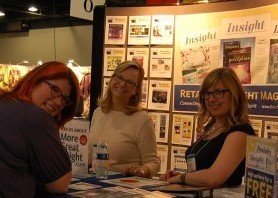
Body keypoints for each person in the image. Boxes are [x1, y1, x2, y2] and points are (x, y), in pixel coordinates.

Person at [160, 67, 255, 187]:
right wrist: (179, 176)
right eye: (207, 93)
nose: (211, 99)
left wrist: (181, 178)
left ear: (234, 94)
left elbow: (214, 178)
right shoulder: (210, 128)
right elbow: (203, 171)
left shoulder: (241, 132)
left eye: (218, 92)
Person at [0, 61, 80, 197]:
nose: (58, 102)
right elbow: (60, 184)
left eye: (65, 99)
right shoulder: (34, 116)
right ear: (35, 81)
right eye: (55, 90)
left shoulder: (6, 104)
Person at [88, 61, 160, 178]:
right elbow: (91, 155)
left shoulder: (143, 120)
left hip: (125, 186)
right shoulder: (98, 112)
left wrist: (140, 171)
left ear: (136, 90)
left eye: (130, 82)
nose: (122, 84)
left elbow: (153, 163)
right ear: (112, 79)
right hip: (95, 182)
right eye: (119, 77)